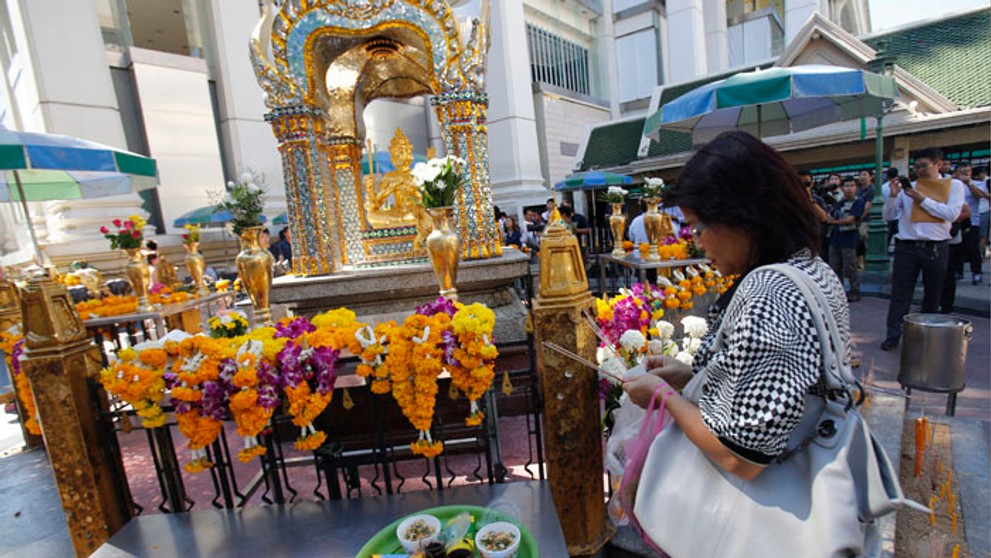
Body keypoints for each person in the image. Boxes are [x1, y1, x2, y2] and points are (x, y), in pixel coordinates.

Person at [624, 131, 846, 489]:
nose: (695, 240)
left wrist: (662, 396)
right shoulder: (810, 267)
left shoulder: (769, 294)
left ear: (743, 216)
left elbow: (741, 456)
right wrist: (688, 375)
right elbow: (785, 381)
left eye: (700, 226)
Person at [880, 148, 966, 351]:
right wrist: (892, 197)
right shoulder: (908, 188)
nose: (919, 170)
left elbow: (952, 214)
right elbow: (888, 216)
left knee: (932, 294)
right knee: (900, 294)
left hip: (935, 246)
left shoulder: (953, 185)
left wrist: (922, 200)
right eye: (916, 166)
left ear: (938, 164)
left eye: (923, 166)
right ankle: (893, 335)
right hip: (907, 246)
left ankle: (925, 337)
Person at [826, 177, 866, 302]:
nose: (849, 188)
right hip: (835, 238)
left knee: (850, 266)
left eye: (852, 186)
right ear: (842, 188)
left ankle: (855, 290)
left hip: (849, 239)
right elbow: (829, 216)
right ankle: (838, 291)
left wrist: (834, 221)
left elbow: (851, 219)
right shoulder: (839, 202)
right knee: (835, 266)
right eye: (847, 186)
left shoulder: (858, 201)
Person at [956, 162, 989, 284]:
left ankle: (976, 273)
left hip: (972, 221)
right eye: (961, 172)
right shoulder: (952, 184)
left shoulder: (978, 184)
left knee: (972, 248)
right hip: (956, 220)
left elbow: (979, 196)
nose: (964, 174)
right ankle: (958, 271)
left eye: (967, 171)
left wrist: (969, 183)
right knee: (956, 248)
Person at [881, 167, 901, 251]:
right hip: (899, 217)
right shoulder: (901, 186)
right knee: (899, 243)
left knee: (886, 242)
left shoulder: (882, 187)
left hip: (888, 217)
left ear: (887, 176)